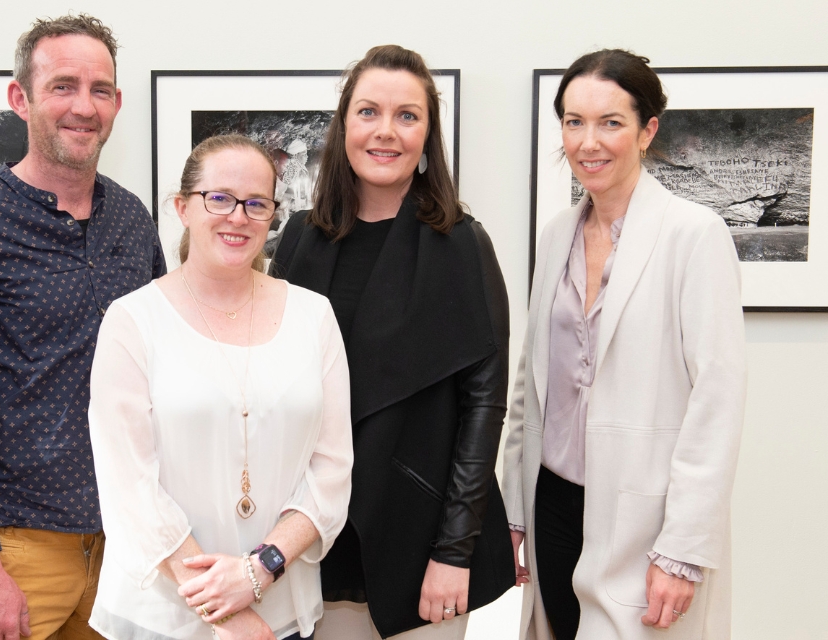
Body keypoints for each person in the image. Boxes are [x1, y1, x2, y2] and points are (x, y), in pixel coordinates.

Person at [0, 13, 165, 640]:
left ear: (118, 103)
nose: (84, 106)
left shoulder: (132, 221)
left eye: (100, 89)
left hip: (122, 545)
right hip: (14, 551)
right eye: (63, 86)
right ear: (21, 98)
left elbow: (159, 372)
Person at [501, 49, 746, 639]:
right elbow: (531, 384)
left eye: (611, 122)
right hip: (554, 505)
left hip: (647, 517)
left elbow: (718, 399)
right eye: (574, 122)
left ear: (647, 131)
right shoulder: (557, 234)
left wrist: (682, 549)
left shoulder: (695, 234)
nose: (589, 142)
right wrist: (513, 507)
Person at [272, 45, 513, 639]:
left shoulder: (463, 244)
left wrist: (455, 551)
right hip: (312, 539)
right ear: (344, 126)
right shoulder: (300, 239)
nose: (386, 131)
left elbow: (484, 408)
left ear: (428, 136)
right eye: (368, 112)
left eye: (407, 116)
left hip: (421, 541)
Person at [87, 134, 352, 640]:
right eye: (220, 198)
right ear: (183, 207)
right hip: (163, 617)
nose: (238, 216)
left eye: (256, 204)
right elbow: (130, 489)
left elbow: (332, 468)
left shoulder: (313, 315)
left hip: (283, 606)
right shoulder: (133, 320)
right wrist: (229, 612)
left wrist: (259, 570)